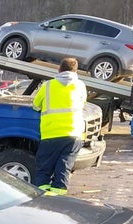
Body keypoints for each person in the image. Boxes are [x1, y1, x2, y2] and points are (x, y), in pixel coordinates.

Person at [32, 57, 87, 195]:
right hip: (73, 134)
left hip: (51, 133)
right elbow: (83, 104)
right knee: (64, 167)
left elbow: (36, 105)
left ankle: (42, 196)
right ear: (76, 71)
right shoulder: (81, 86)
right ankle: (58, 197)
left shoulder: (48, 85)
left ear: (59, 70)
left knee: (44, 168)